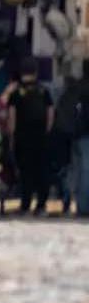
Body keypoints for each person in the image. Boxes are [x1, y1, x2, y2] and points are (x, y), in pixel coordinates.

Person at [3, 58, 53, 216]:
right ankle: (41, 206)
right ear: (36, 72)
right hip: (41, 137)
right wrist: (46, 132)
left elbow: (12, 118)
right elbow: (50, 113)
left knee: (26, 173)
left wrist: (11, 137)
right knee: (42, 171)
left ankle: (25, 205)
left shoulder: (16, 93)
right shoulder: (43, 91)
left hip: (23, 139)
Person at [57, 68, 89, 219]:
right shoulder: (84, 90)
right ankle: (83, 207)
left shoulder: (74, 91)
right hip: (84, 135)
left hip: (73, 135)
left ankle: (72, 202)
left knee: (77, 171)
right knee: (85, 172)